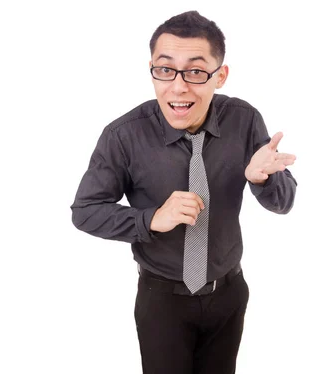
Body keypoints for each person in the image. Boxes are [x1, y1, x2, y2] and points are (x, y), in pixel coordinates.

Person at [71, 10, 296, 374]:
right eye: (165, 70)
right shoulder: (123, 136)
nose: (178, 86)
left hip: (229, 292)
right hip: (162, 300)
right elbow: (84, 211)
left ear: (219, 76)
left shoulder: (245, 120)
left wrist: (262, 179)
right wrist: (152, 219)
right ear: (152, 71)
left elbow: (284, 202)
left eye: (195, 71)